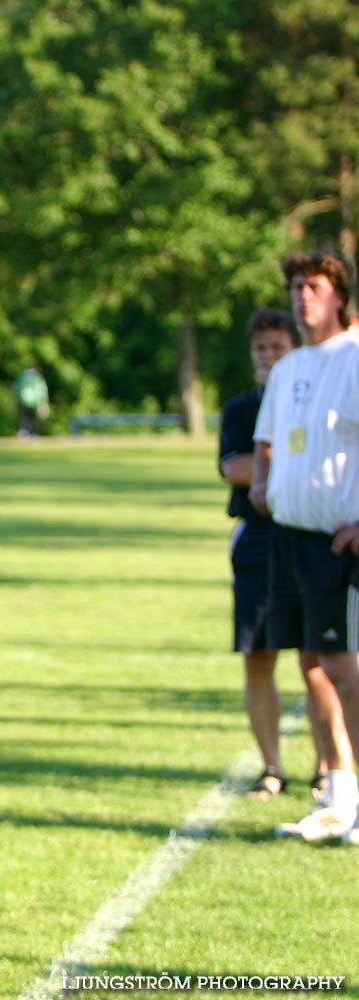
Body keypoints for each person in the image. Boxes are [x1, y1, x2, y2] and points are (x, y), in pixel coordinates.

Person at [251, 249, 359, 842]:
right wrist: (265, 480)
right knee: (312, 665)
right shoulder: (291, 367)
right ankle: (338, 795)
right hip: (288, 539)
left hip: (336, 541)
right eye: (296, 286)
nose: (302, 297)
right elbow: (267, 438)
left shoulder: (355, 358)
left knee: (345, 668)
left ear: (338, 295)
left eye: (314, 286)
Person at [219, 308, 333, 798]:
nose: (268, 357)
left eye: (276, 347)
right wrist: (282, 462)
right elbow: (235, 467)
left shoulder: (317, 401)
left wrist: (271, 463)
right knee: (258, 655)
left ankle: (329, 764)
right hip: (258, 541)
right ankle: (271, 767)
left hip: (310, 535)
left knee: (320, 658)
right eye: (260, 348)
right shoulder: (243, 409)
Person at [13, 366, 48, 437]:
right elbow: (42, 392)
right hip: (31, 403)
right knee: (29, 418)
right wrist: (43, 403)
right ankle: (29, 433)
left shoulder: (22, 379)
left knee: (27, 418)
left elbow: (16, 390)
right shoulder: (37, 380)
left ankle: (28, 432)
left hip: (29, 403)